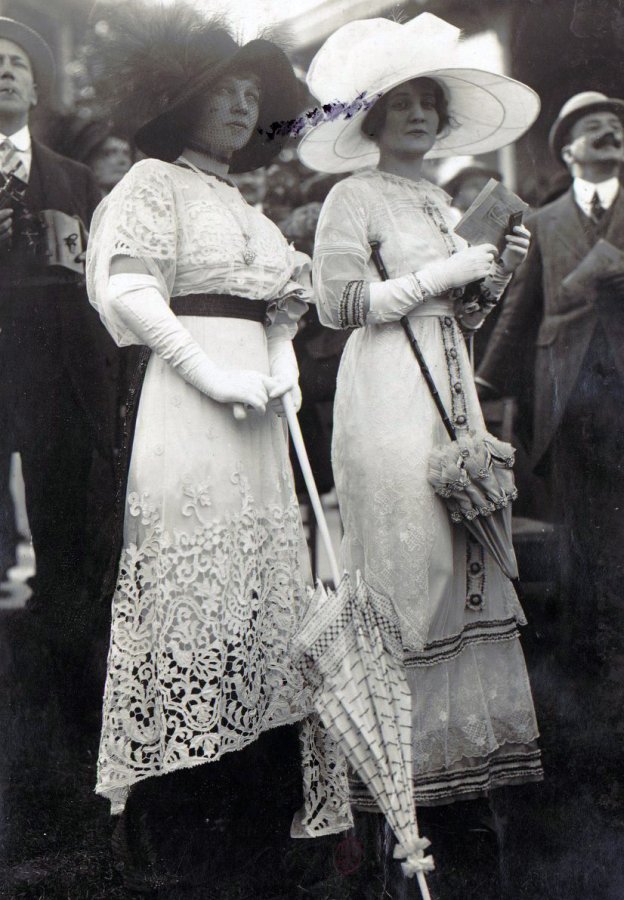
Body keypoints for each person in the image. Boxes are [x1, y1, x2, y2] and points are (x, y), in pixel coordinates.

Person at [85, 4, 350, 892]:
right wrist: (209, 368)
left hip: (260, 420)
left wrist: (281, 365)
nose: (239, 107)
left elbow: (282, 301)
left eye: (251, 95)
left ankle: (250, 812)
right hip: (190, 413)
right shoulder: (152, 184)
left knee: (260, 601)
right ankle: (178, 825)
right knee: (194, 603)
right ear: (181, 100)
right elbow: (129, 291)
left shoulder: (247, 206)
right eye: (223, 92)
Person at [300, 12, 543, 822]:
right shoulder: (352, 195)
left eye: (428, 105)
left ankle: (459, 761)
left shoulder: (441, 199)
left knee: (455, 558)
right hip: (386, 396)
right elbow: (337, 304)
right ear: (372, 117)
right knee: (407, 561)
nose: (416, 116)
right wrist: (447, 268)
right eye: (400, 103)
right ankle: (394, 773)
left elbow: (459, 316)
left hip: (449, 387)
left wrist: (492, 276)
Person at [476, 92, 624, 720]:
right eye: (594, 128)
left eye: (617, 127)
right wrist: (481, 383)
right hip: (567, 401)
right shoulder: (542, 223)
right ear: (567, 149)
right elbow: (518, 312)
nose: (610, 133)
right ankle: (587, 669)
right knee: (580, 533)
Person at [0, 18, 118, 631]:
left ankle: (62, 639)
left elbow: (100, 279)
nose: (4, 72)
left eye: (17, 63)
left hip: (59, 359)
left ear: (37, 89)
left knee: (63, 505)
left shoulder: (75, 177)